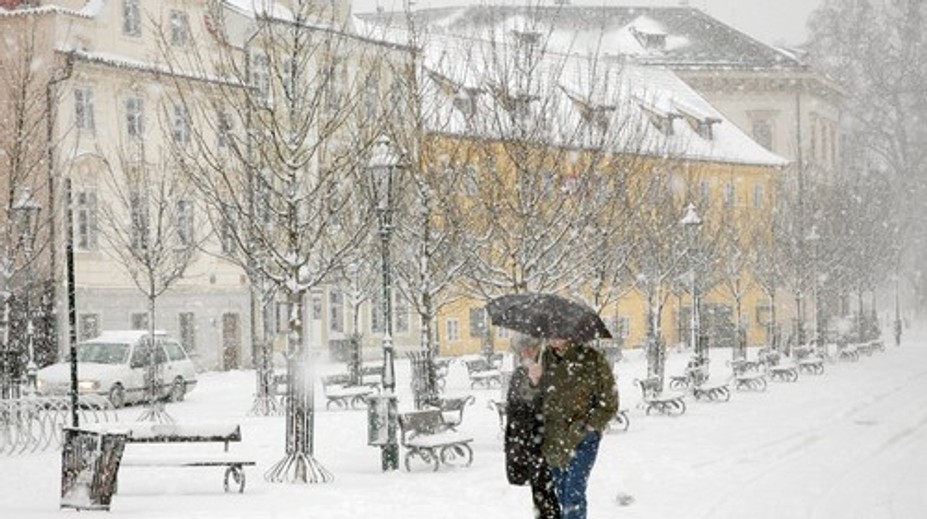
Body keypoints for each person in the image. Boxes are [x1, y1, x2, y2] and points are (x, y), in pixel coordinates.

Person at [540, 336, 618, 519]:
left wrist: (592, 424)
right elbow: (535, 397)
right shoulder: (544, 359)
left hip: (583, 438)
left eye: (558, 330)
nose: (552, 336)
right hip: (553, 439)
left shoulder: (592, 359)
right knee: (561, 492)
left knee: (574, 492)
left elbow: (610, 399)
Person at [505, 334, 560, 519]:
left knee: (549, 492)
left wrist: (537, 382)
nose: (529, 352)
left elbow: (551, 404)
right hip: (528, 442)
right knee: (540, 492)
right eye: (525, 349)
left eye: (532, 347)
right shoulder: (519, 374)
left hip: (546, 441)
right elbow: (517, 408)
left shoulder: (549, 369)